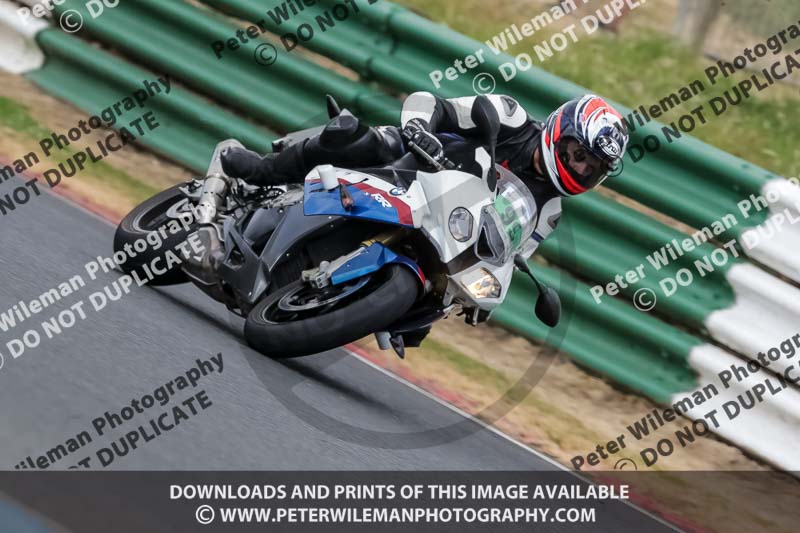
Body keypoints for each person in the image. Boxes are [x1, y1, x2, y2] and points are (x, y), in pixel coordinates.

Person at [220, 92, 628, 344]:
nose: (580, 168)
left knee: (424, 318)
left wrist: (485, 298)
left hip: (448, 229)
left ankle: (345, 302)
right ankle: (262, 171)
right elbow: (434, 104)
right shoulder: (511, 117)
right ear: (560, 131)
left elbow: (513, 250)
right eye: (579, 155)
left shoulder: (550, 211)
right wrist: (419, 128)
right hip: (415, 165)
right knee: (360, 139)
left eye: (591, 168)